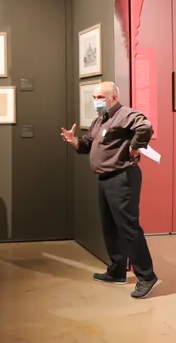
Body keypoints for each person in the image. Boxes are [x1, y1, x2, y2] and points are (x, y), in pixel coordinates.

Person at [61, 81, 159, 299]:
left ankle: (147, 276)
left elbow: (145, 127)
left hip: (122, 178)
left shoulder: (125, 114)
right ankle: (117, 270)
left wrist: (134, 147)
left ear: (113, 98)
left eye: (100, 97)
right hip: (106, 179)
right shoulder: (101, 119)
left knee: (128, 228)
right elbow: (87, 144)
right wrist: (73, 140)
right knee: (110, 227)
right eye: (94, 98)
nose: (96, 101)